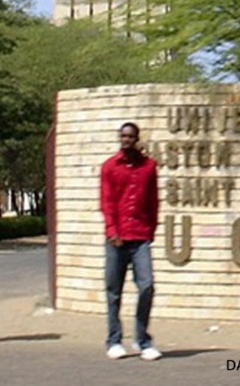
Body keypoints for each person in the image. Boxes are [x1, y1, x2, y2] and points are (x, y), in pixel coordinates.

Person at [100, 122, 161, 361]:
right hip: (117, 238)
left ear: (136, 139)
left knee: (147, 285)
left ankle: (142, 339)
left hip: (140, 236)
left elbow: (153, 201)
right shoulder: (109, 167)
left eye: (130, 136)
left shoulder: (148, 167)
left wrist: (151, 230)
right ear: (119, 138)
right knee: (114, 291)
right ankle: (114, 340)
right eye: (123, 136)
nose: (126, 140)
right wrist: (112, 230)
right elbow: (107, 202)